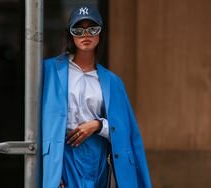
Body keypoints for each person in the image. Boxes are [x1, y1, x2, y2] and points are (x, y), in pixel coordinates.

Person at [42, 5, 152, 188]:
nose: (86, 34)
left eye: (92, 29)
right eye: (79, 29)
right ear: (71, 35)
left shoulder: (112, 81)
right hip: (63, 156)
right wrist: (52, 173)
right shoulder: (49, 70)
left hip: (96, 157)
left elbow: (125, 131)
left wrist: (98, 125)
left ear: (100, 34)